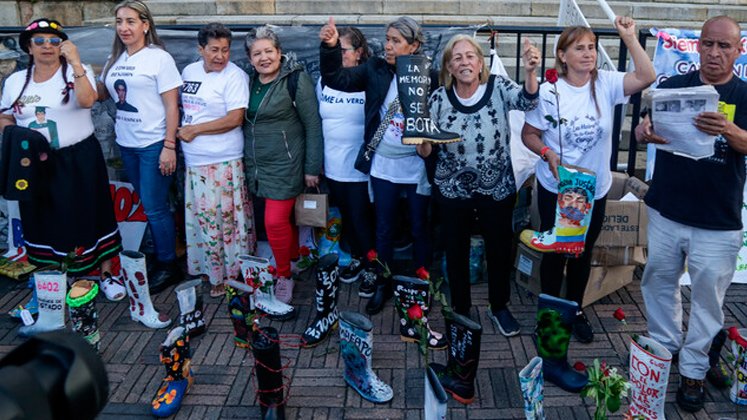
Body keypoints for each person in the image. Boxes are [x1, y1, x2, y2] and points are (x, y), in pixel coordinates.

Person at [635, 16, 747, 412]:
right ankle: (664, 350)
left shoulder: (744, 95)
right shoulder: (672, 85)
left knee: (707, 301)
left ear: (738, 50)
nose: (714, 53)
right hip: (667, 208)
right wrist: (643, 132)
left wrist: (731, 132)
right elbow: (642, 129)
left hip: (717, 221)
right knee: (659, 283)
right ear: (697, 46)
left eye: (724, 46)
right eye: (708, 44)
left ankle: (695, 370)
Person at [521, 16, 655, 342]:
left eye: (592, 47)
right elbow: (529, 134)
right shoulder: (550, 91)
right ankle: (551, 314)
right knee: (555, 253)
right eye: (579, 48)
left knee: (582, 251)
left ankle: (576, 308)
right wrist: (546, 153)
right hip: (557, 188)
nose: (588, 54)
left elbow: (647, 76)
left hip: (593, 190)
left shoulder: (606, 83)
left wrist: (629, 37)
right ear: (562, 56)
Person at [0, 18, 124, 300]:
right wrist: (19, 136)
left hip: (78, 157)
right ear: (28, 48)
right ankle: (56, 279)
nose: (48, 46)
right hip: (35, 163)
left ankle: (106, 274)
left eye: (55, 41)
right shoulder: (16, 81)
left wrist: (77, 62)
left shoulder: (75, 73)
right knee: (42, 218)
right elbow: (5, 115)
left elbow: (87, 101)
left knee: (93, 213)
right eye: (40, 41)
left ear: (64, 46)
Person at [423, 34, 539, 335]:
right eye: (457, 57)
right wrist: (420, 139)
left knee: (499, 248)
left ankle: (499, 306)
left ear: (480, 61)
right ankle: (461, 309)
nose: (464, 62)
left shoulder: (498, 87)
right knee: (455, 249)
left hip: (496, 186)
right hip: (452, 188)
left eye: (470, 56)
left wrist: (529, 72)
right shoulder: (437, 99)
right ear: (448, 66)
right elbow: (425, 150)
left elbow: (528, 101)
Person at [319, 16, 434, 315]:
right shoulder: (375, 69)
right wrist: (330, 47)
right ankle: (383, 282)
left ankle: (423, 284)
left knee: (420, 227)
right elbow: (337, 79)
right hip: (384, 163)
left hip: (416, 164)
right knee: (383, 227)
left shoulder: (429, 75)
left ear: (415, 45)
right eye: (387, 39)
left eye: (396, 40)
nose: (388, 45)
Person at [99, 0, 183, 293]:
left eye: (131, 21)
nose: (124, 27)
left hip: (153, 144)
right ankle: (161, 256)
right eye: (119, 21)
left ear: (145, 25)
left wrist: (169, 145)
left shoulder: (159, 58)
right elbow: (99, 93)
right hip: (127, 145)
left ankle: (168, 265)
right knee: (150, 205)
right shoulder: (115, 60)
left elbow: (172, 106)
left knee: (155, 206)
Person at [243, 25, 322, 305]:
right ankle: (292, 259)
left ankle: (284, 276)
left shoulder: (295, 80)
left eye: (268, 51)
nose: (264, 58)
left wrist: (313, 167)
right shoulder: (250, 81)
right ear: (250, 58)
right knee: (281, 222)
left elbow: (313, 124)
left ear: (279, 52)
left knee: (274, 221)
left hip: (287, 164)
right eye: (257, 53)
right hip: (256, 167)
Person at [178, 23, 256, 298]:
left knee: (226, 222)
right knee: (204, 220)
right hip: (195, 161)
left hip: (223, 160)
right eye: (214, 50)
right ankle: (211, 271)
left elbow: (235, 118)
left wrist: (195, 130)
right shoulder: (188, 71)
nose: (220, 56)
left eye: (225, 50)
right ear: (200, 49)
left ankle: (230, 275)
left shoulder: (234, 76)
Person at [315, 26, 377, 291]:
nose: (339, 55)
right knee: (347, 219)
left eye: (343, 50)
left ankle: (373, 266)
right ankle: (357, 258)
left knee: (363, 218)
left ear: (359, 53)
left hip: (361, 167)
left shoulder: (369, 81)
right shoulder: (323, 81)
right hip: (333, 165)